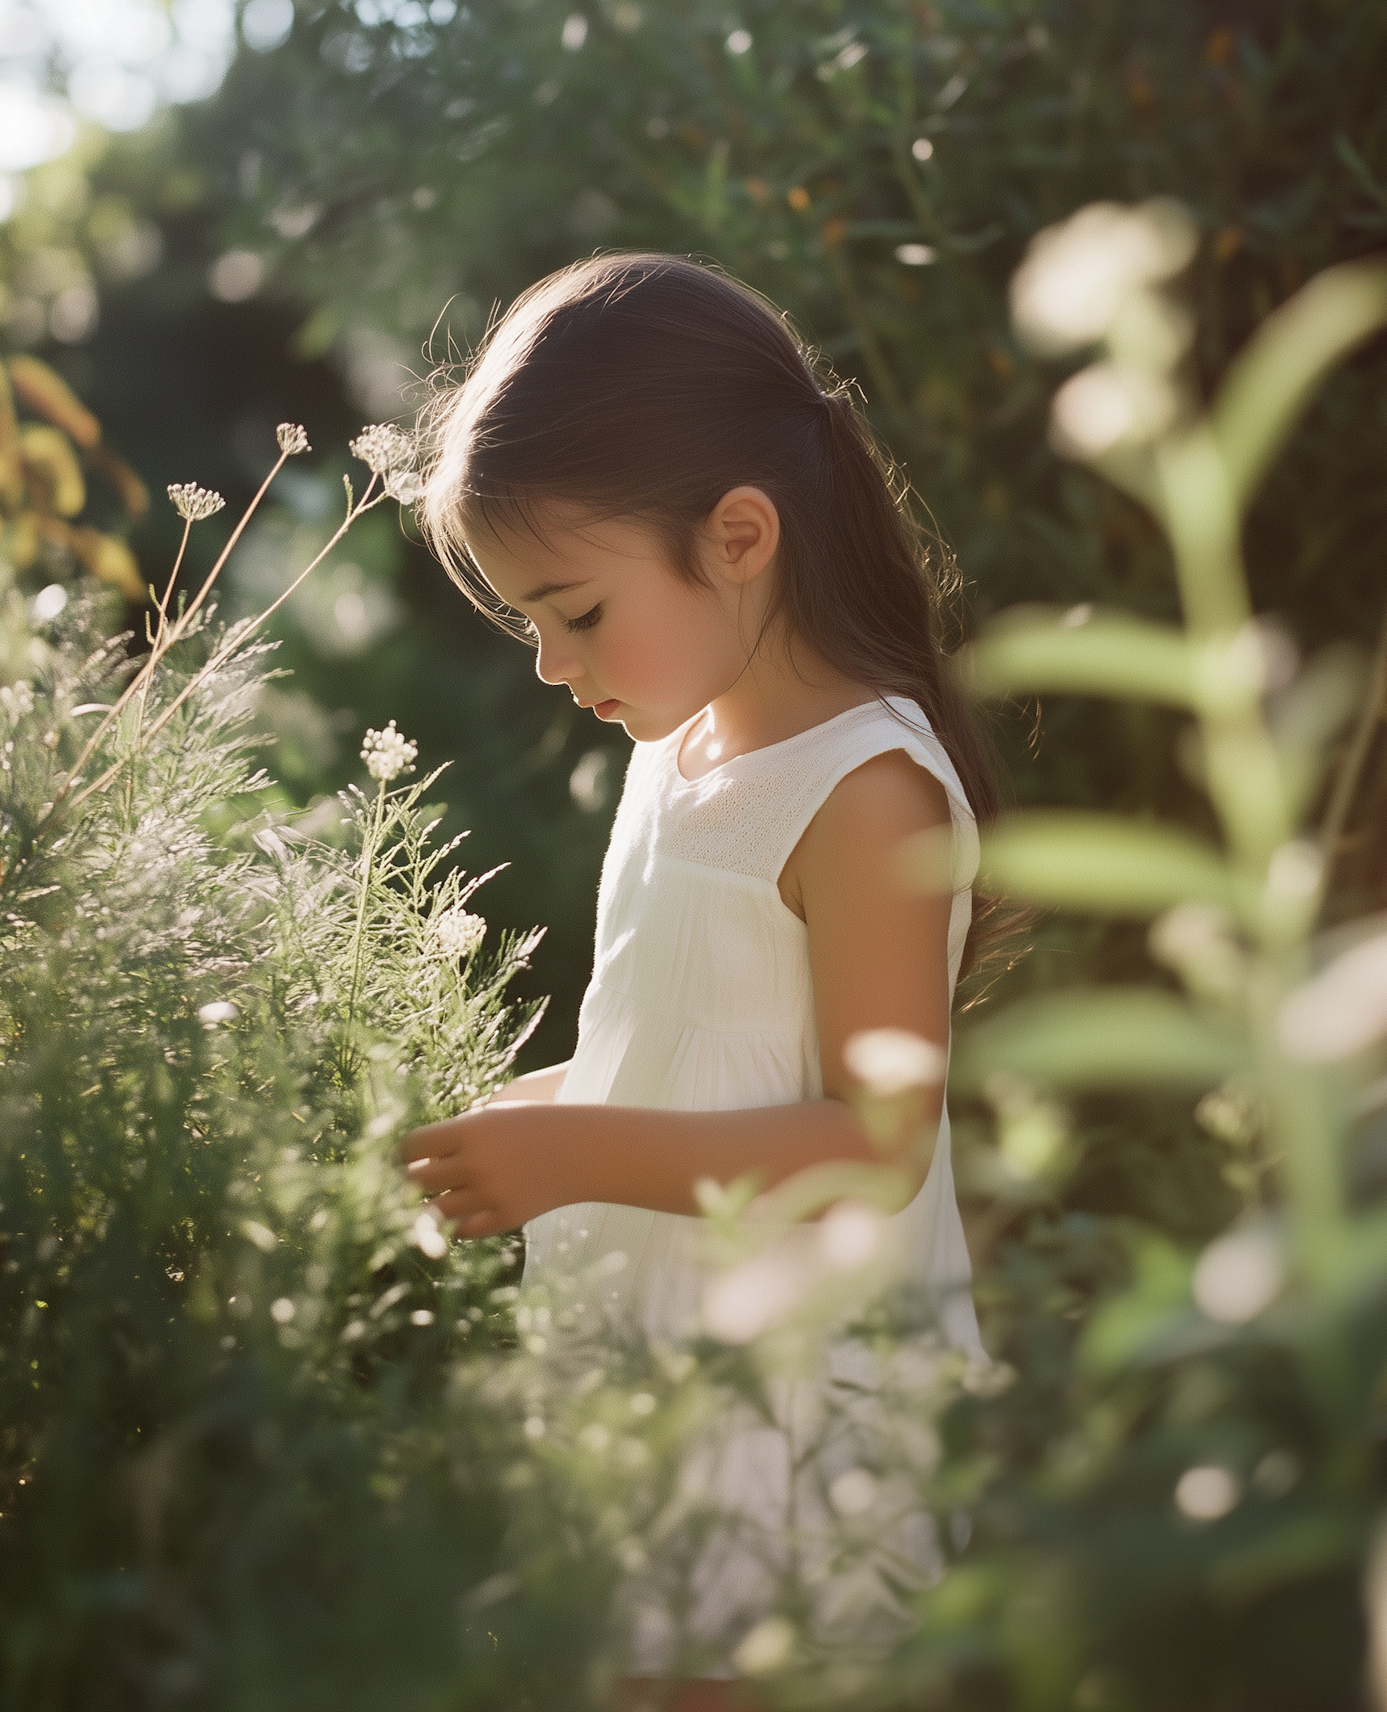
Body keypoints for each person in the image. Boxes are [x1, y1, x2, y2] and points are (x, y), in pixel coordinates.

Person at [399, 254, 1000, 1707]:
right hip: (659, 1346)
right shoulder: (683, 748)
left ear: (739, 534)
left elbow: (876, 1143)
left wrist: (574, 1149)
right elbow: (675, 1040)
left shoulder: (863, 795)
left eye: (578, 611)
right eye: (527, 622)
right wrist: (524, 1114)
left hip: (784, 1397)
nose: (551, 663)